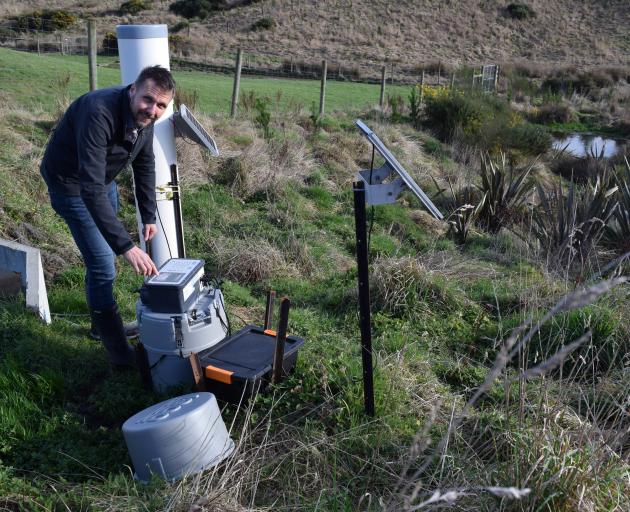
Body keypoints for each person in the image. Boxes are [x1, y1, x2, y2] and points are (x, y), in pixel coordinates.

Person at [41, 66, 176, 368]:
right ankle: (118, 353)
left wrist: (148, 215)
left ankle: (98, 327)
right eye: (148, 100)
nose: (153, 110)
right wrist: (126, 246)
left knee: (102, 259)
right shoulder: (98, 111)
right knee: (104, 266)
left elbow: (144, 163)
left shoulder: (147, 117)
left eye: (161, 106)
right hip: (71, 184)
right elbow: (89, 189)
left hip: (102, 181)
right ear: (133, 90)